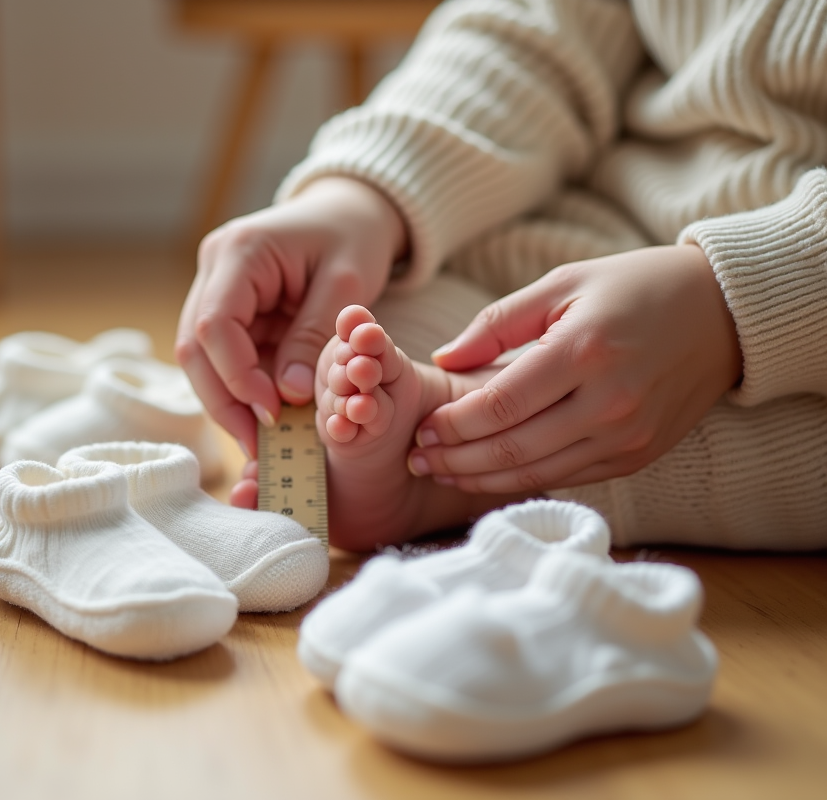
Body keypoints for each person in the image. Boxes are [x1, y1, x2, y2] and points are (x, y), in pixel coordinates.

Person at [176, 0, 827, 552]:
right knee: (381, 329)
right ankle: (454, 429)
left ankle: (457, 470)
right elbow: (535, 27)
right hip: (591, 234)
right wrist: (362, 195)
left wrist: (733, 299)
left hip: (799, 299)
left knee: (798, 448)